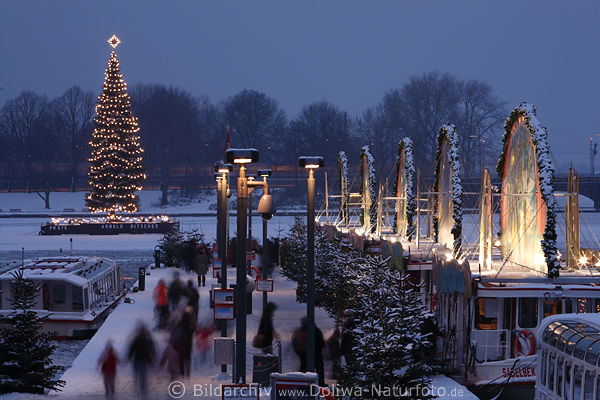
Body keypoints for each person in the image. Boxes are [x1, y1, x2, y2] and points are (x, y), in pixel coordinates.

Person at [291, 317, 325, 387]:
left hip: (303, 354)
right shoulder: (316, 330)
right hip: (316, 355)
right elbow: (321, 343)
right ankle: (320, 384)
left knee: (304, 369)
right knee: (319, 369)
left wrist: (299, 353)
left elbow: (294, 342)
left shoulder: (300, 331)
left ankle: (303, 384)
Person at [127, 323, 156, 397]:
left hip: (140, 360)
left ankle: (140, 390)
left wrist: (129, 357)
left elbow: (132, 349)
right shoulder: (146, 339)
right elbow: (152, 349)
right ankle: (142, 390)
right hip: (140, 360)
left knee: (139, 376)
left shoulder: (139, 339)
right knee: (141, 376)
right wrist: (153, 356)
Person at [171, 310, 195, 377]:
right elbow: (192, 331)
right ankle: (187, 373)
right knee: (188, 358)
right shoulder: (190, 324)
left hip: (181, 344)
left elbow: (175, 331)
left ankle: (182, 373)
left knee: (181, 359)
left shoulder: (180, 324)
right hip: (188, 344)